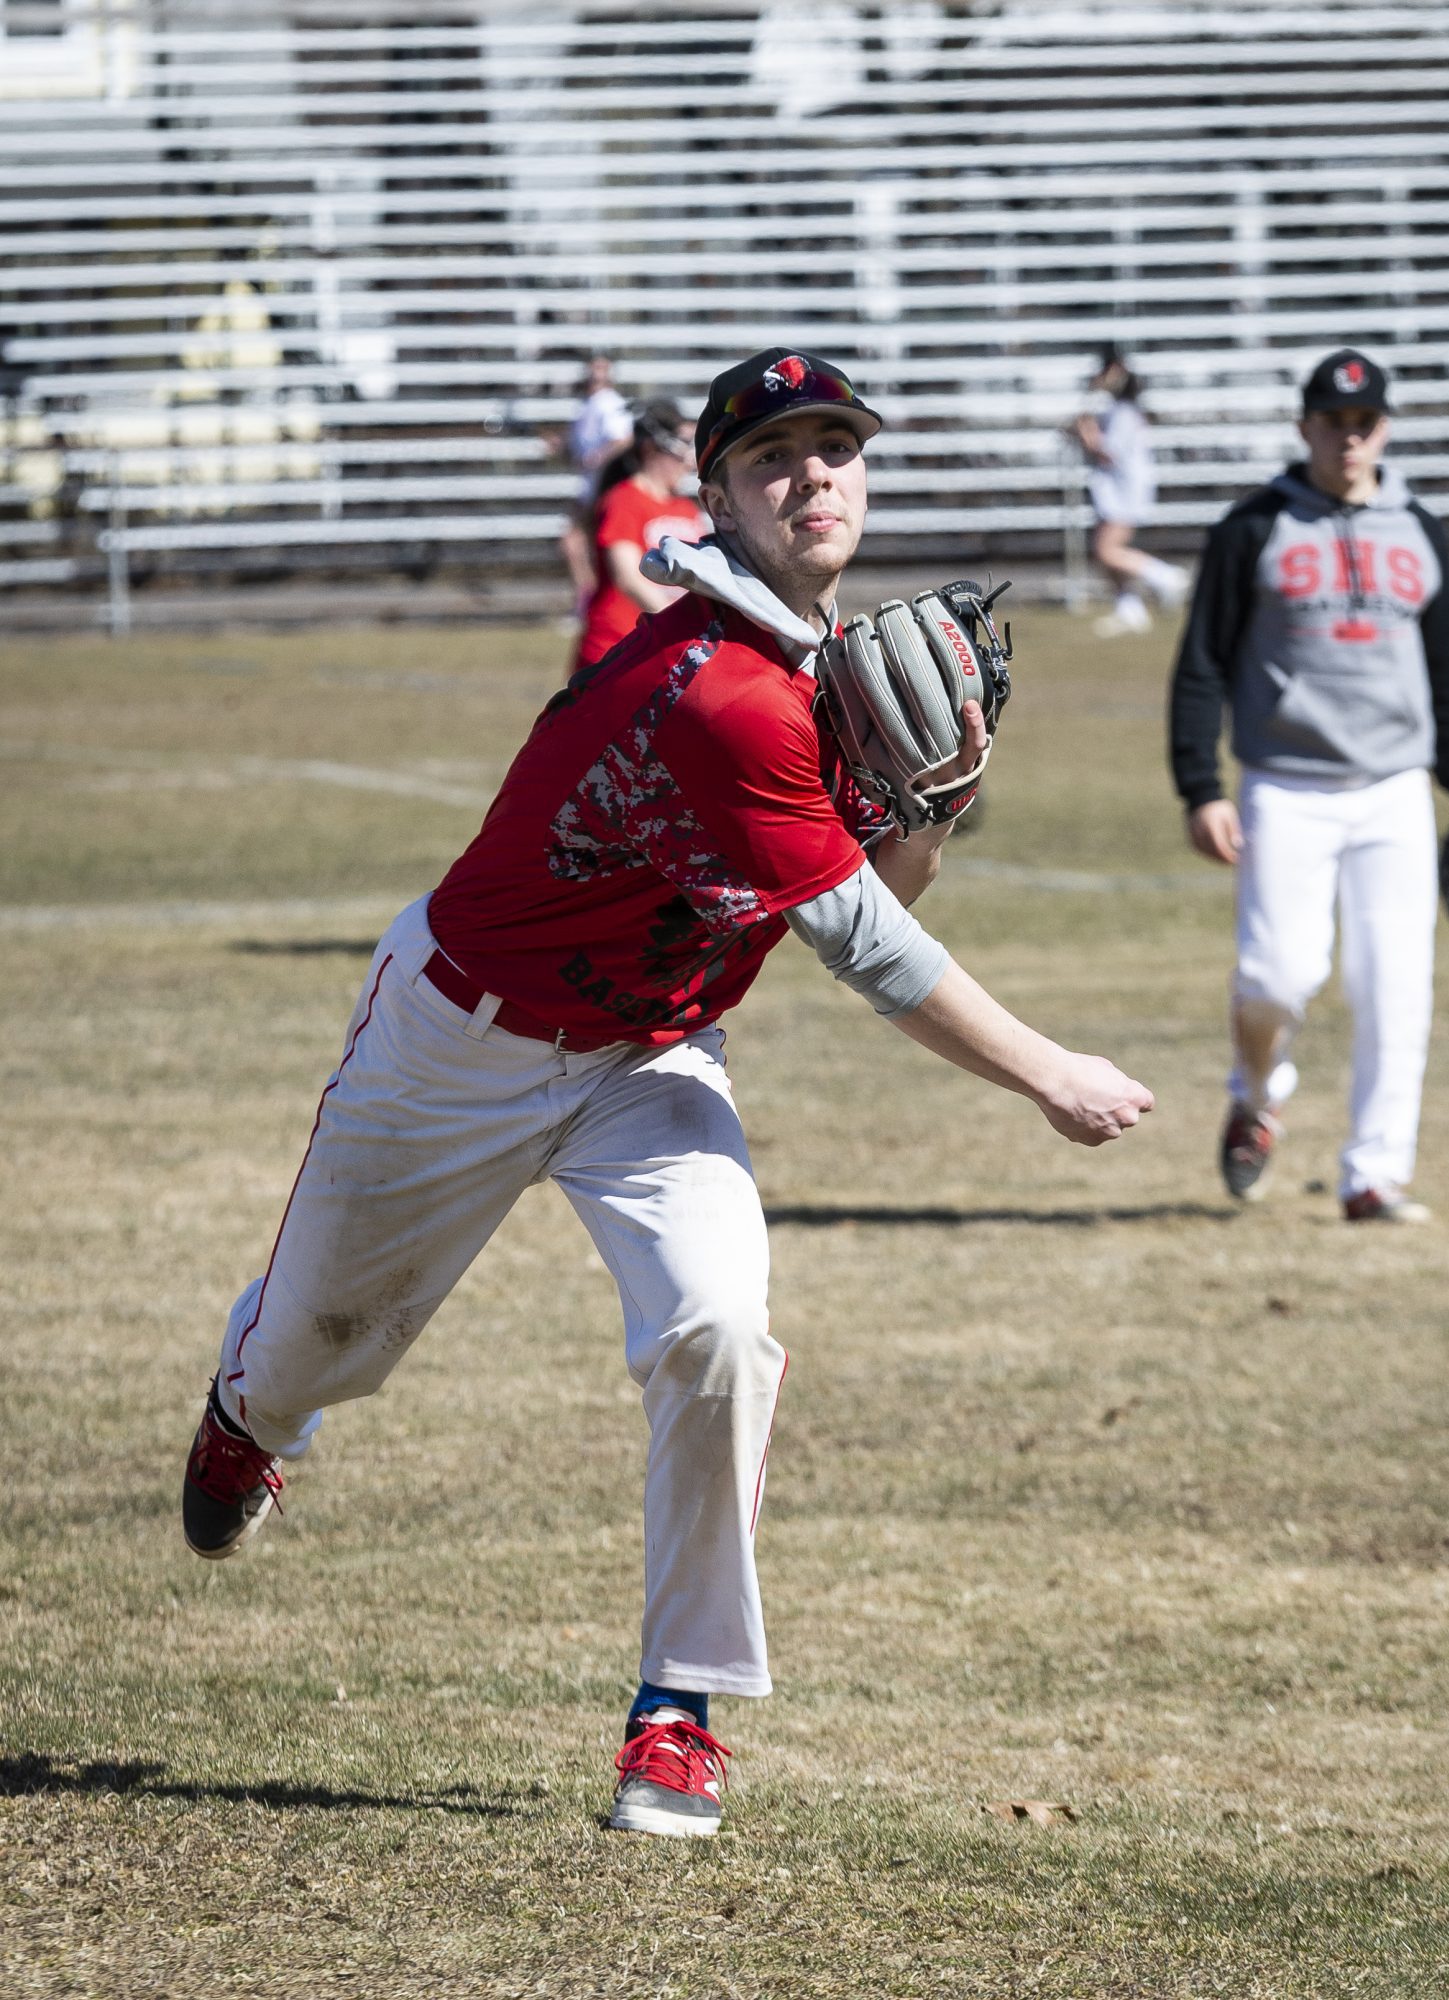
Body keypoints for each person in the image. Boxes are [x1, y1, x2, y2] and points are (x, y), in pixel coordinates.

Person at [181, 345, 1154, 1840]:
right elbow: (867, 949)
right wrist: (1047, 1074)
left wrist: (932, 810)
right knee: (320, 1348)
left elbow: (876, 880)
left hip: (650, 1058)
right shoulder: (723, 691)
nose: (812, 474)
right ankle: (253, 1410)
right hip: (458, 1041)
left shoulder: (817, 674)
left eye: (836, 446)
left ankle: (676, 1713)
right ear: (712, 496)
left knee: (716, 1329)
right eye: (773, 457)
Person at [1169, 347, 1449, 1224]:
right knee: (1278, 975)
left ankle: (1374, 1176)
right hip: (1286, 784)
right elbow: (1202, 664)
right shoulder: (1254, 528)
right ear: (1304, 426)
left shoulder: (1417, 529)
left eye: (1363, 423)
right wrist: (1201, 784)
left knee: (1397, 988)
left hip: (1395, 786)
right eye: (1332, 422)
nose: (1348, 439)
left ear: (1381, 428)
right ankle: (1258, 1088)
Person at [567, 398, 706, 678]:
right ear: (651, 449)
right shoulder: (623, 500)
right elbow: (627, 576)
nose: (689, 462)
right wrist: (684, 625)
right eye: (681, 449)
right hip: (615, 649)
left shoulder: (686, 509)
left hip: (664, 651)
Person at [1069, 346, 1189, 638]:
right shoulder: (1116, 410)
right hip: (1113, 489)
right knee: (1104, 553)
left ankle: (1166, 576)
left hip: (1124, 490)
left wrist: (1085, 432)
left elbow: (1108, 452)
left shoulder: (1124, 412)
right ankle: (1129, 608)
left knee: (1107, 551)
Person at [557, 354, 634, 614]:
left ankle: (590, 603)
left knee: (578, 543)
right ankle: (588, 601)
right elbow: (577, 450)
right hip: (590, 486)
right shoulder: (586, 405)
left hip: (604, 487)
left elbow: (622, 439)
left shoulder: (609, 403)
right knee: (578, 545)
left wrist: (597, 457)